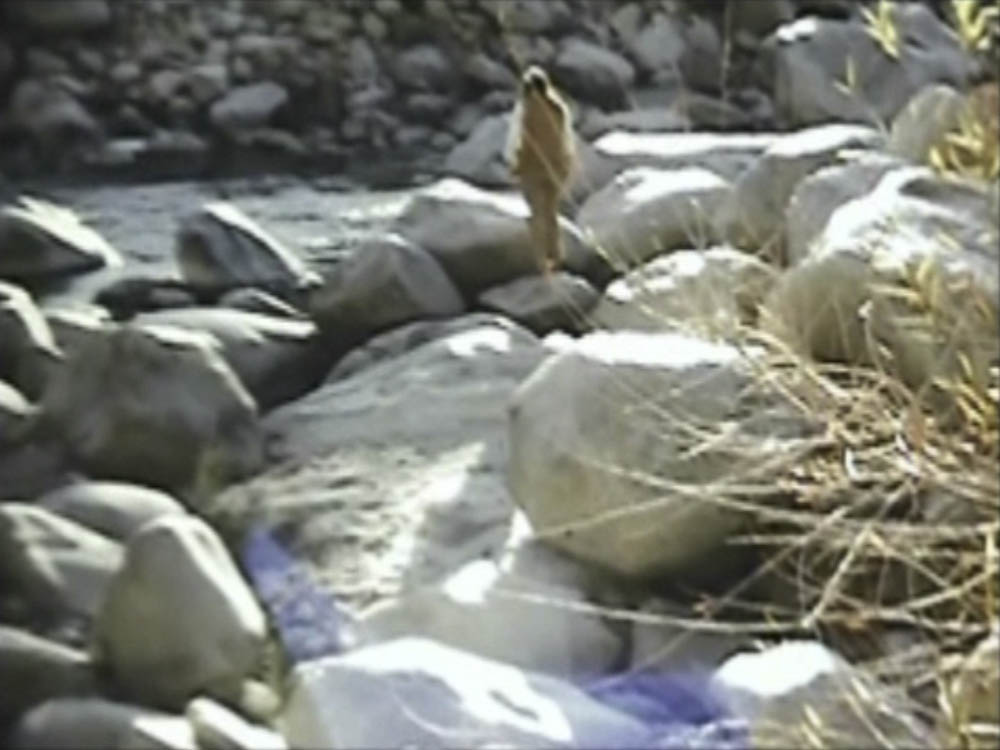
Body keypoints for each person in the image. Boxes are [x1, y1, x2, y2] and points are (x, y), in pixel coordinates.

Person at [505, 66, 576, 275]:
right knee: (551, 213)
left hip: (532, 169)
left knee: (537, 215)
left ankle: (541, 262)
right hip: (556, 168)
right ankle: (557, 256)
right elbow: (568, 140)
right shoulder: (558, 108)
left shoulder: (525, 109)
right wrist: (566, 166)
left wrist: (514, 165)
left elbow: (517, 141)